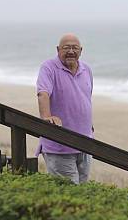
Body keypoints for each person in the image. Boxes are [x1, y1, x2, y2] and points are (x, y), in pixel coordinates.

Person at [34, 33, 94, 184]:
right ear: (58, 49)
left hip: (85, 143)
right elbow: (43, 93)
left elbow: (86, 98)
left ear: (81, 50)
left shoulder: (86, 70)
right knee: (70, 191)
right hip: (59, 145)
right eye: (66, 47)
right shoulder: (49, 68)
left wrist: (89, 126)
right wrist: (47, 117)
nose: (71, 51)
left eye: (75, 48)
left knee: (83, 190)